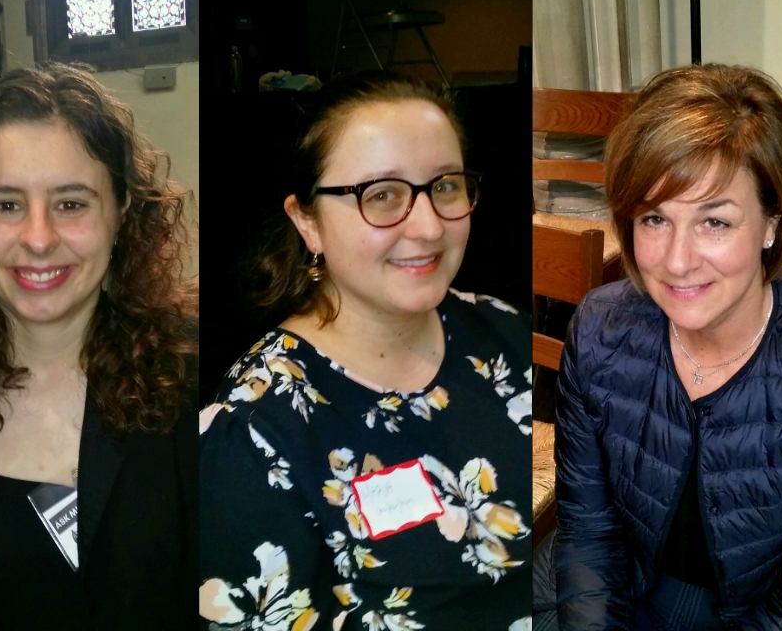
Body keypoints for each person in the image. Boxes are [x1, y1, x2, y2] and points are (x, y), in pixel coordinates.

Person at [532, 64, 782, 630]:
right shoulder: (598, 327)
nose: (677, 260)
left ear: (769, 225)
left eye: (715, 221)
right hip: (619, 583)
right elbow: (589, 533)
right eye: (655, 218)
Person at [198, 71, 533, 630]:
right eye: (382, 195)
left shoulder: (501, 332)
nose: (428, 227)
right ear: (308, 221)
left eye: (446, 186)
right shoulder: (255, 431)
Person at [0, 63, 199, 630]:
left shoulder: (198, 390)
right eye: (5, 204)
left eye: (71, 203)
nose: (39, 238)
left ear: (121, 213)